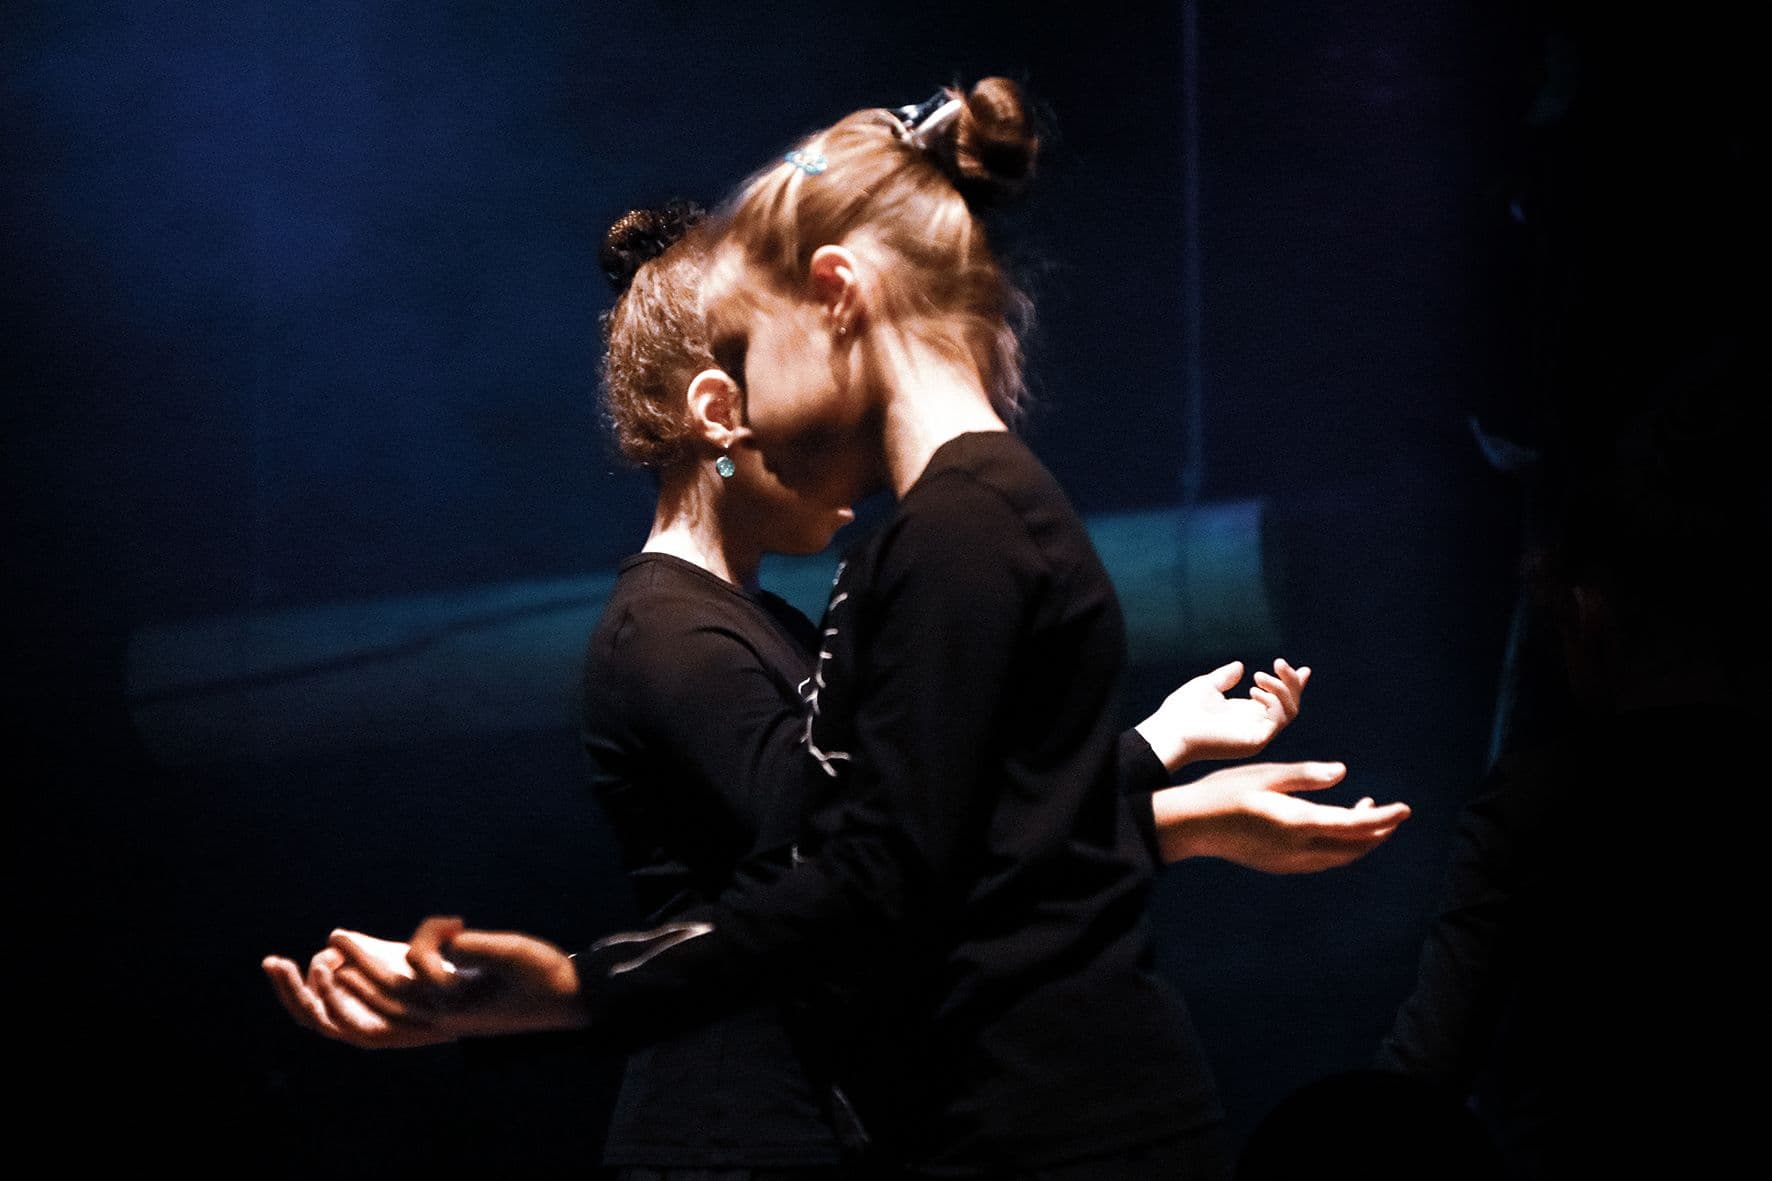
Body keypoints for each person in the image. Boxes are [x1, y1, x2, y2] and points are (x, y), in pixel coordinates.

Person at [266, 83, 1408, 1177]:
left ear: (836, 296)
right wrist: (1163, 793)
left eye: (751, 352)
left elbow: (885, 862)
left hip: (1048, 1119)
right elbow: (894, 846)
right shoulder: (924, 537)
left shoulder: (956, 528)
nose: (751, 404)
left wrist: (576, 989)